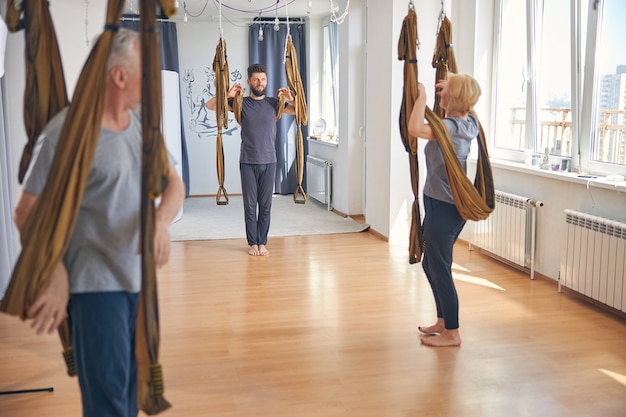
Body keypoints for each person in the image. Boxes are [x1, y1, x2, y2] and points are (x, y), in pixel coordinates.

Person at [13, 28, 185, 416]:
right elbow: (26, 213)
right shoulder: (67, 133)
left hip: (138, 284)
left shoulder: (142, 126)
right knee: (108, 404)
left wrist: (160, 221)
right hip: (94, 291)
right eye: (148, 72)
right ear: (119, 77)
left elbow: (174, 183)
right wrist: (55, 270)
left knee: (128, 396)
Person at [408, 74, 482, 347]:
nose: (441, 94)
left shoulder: (449, 127)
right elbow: (467, 102)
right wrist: (450, 83)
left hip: (444, 206)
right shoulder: (469, 122)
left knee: (440, 267)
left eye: (445, 92)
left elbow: (415, 129)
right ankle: (442, 320)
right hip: (440, 203)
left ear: (454, 98)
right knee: (431, 263)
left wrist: (423, 96)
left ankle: (453, 331)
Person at [205, 63, 295, 256]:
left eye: (262, 79)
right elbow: (210, 105)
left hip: (269, 161)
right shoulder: (241, 104)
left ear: (266, 81)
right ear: (249, 81)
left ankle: (263, 242)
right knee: (250, 205)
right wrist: (228, 95)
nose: (259, 83)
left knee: (265, 205)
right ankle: (253, 243)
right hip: (247, 161)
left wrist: (291, 98)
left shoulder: (274, 103)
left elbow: (299, 111)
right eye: (256, 79)